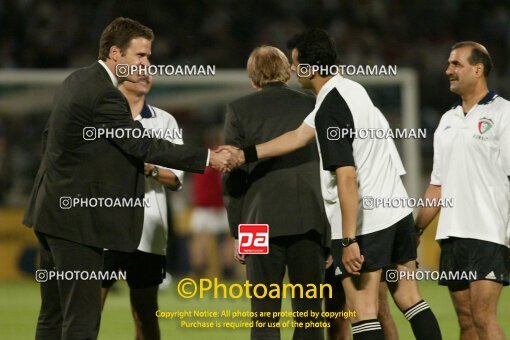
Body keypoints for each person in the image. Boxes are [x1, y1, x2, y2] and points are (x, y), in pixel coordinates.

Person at [22, 17, 236, 339]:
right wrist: (208, 157)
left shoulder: (75, 80)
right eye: (140, 56)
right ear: (114, 54)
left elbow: (48, 138)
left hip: (51, 213)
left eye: (148, 57)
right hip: (78, 224)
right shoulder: (104, 94)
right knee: (82, 320)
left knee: (52, 317)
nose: (146, 64)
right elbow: (142, 144)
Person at [222, 29, 441, 340]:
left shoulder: (323, 110)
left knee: (357, 311)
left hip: (352, 223)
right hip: (389, 212)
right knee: (409, 300)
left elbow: (346, 177)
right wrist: (246, 155)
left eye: (298, 63)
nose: (294, 69)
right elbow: (298, 137)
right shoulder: (350, 91)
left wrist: (348, 239)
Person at [223, 45, 331, 340]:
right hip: (310, 218)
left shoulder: (239, 110)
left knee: (264, 315)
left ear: (253, 78)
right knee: (310, 316)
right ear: (287, 73)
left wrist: (237, 232)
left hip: (257, 222)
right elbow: (333, 168)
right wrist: (330, 232)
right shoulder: (314, 105)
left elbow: (233, 174)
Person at [415, 41, 510, 340]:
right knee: (466, 321)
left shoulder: (503, 113)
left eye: (456, 64)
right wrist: (415, 230)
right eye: (448, 64)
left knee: (483, 317)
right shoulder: (447, 121)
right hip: (452, 235)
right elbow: (436, 185)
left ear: (478, 69)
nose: (448, 71)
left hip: (489, 233)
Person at [101, 75, 184, 339]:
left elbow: (175, 176)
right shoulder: (100, 120)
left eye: (148, 67)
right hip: (103, 228)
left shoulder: (164, 121)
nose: (145, 74)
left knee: (146, 314)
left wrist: (148, 168)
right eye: (138, 67)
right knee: (89, 310)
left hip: (149, 230)